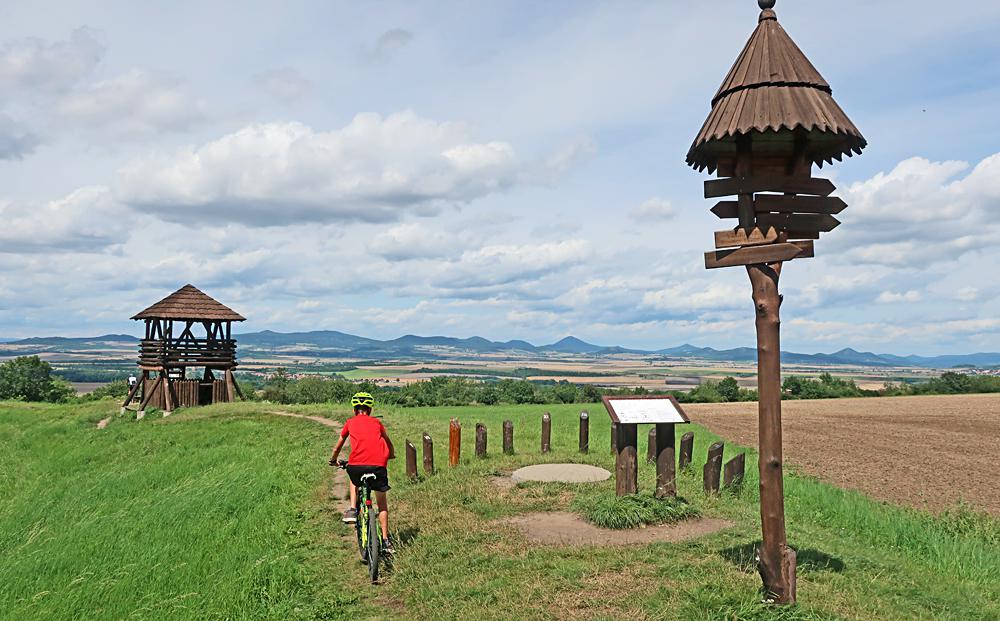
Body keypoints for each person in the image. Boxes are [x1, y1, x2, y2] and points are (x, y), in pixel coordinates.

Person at [329, 391, 396, 554]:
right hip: (379, 466)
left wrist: (333, 460)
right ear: (370, 409)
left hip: (357, 467)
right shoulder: (377, 423)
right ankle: (386, 541)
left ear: (354, 409)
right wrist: (392, 455)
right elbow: (389, 443)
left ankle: (352, 509)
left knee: (354, 477)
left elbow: (338, 446)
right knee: (382, 503)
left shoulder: (350, 422)